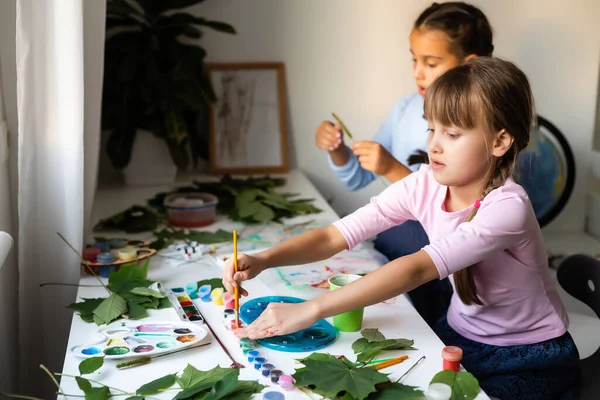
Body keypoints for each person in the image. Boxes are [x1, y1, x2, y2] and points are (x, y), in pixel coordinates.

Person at [224, 58, 580, 399]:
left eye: (452, 133)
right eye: (432, 128)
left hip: (528, 355)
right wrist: (264, 258)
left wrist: (310, 309)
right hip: (459, 332)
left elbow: (417, 268)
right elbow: (336, 235)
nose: (434, 145)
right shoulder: (425, 183)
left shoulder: (508, 207)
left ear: (500, 142)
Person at [315, 2, 495, 327]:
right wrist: (337, 150)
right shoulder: (406, 108)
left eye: (431, 62)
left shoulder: (484, 126)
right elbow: (357, 177)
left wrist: (392, 170)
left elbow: (460, 212)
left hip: (441, 271)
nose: (417, 72)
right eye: (415, 59)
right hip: (392, 253)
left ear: (471, 64)